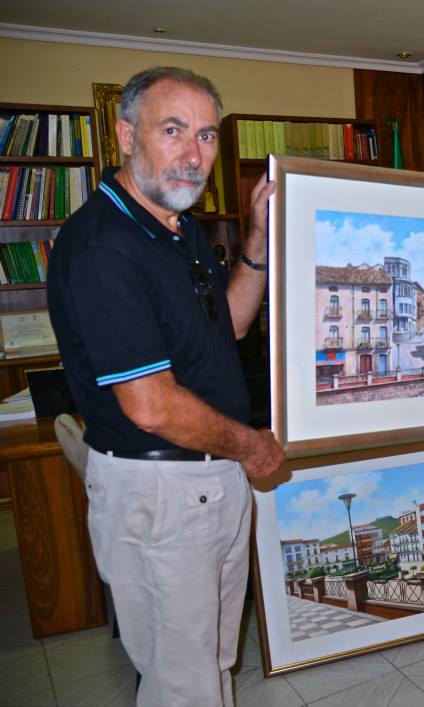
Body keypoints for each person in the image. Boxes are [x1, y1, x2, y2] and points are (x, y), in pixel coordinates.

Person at [47, 67, 286, 707]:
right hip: (162, 491)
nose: (193, 154)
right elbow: (150, 406)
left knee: (211, 665)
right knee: (184, 686)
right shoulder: (104, 245)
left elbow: (227, 326)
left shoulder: (178, 229)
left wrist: (256, 243)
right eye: (173, 130)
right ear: (127, 135)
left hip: (208, 481)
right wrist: (251, 446)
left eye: (206, 135)